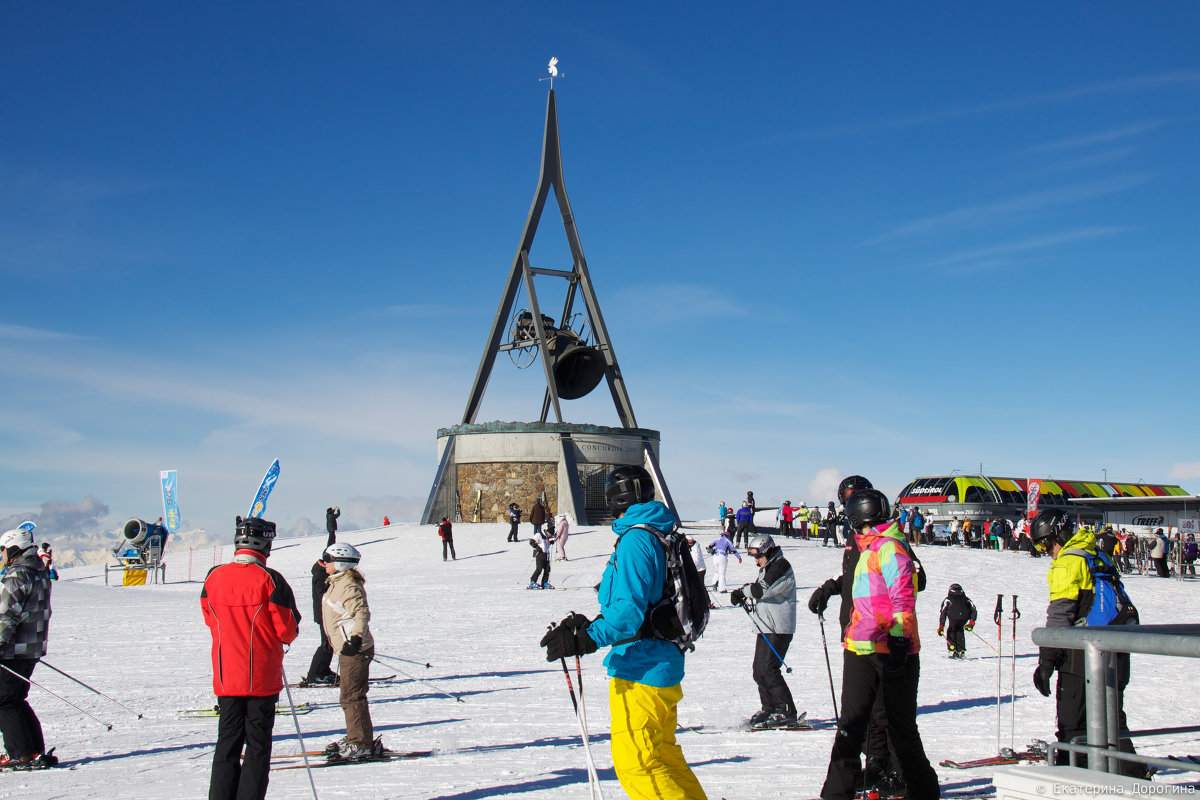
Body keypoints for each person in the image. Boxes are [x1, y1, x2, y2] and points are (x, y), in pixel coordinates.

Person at [538, 465, 708, 800]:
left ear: (615, 498)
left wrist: (586, 638)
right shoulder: (659, 531)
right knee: (663, 756)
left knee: (638, 765)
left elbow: (627, 615)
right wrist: (590, 625)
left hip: (641, 669)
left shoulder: (636, 539)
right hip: (661, 663)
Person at [818, 489, 939, 800]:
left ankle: (923, 791)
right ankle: (835, 793)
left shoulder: (890, 548)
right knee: (850, 725)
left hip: (891, 650)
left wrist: (900, 638)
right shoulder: (868, 548)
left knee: (900, 729)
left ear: (859, 518)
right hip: (860, 647)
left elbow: (903, 597)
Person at [1029, 509, 1145, 777]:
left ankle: (1070, 779)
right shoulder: (1097, 553)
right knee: (1111, 719)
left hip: (1081, 655)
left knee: (1072, 722)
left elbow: (1060, 615)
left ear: (1058, 535)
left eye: (1046, 544)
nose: (1047, 552)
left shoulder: (1068, 562)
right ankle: (1133, 776)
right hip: (1116, 647)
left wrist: (1046, 662)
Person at [201, 516, 300, 800]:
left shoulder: (214, 576)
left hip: (226, 673)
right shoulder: (270, 579)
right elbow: (287, 628)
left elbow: (209, 617)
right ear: (265, 544)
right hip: (261, 676)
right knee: (257, 746)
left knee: (227, 744)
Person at [731, 534, 798, 728]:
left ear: (767, 550)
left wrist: (742, 591)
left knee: (769, 669)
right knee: (759, 670)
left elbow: (761, 590)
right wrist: (744, 594)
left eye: (758, 556)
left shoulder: (780, 566)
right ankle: (770, 707)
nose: (756, 560)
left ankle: (786, 710)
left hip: (779, 627)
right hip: (766, 626)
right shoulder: (768, 566)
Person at [0, 527, 54, 769]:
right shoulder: (38, 571)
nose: (1, 554)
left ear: (13, 548)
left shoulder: (18, 574)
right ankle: (33, 750)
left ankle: (20, 754)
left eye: (2, 549)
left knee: (3, 701)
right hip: (31, 646)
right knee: (15, 698)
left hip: (13, 648)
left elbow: (6, 616)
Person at [320, 543, 380, 761]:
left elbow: (361, 612)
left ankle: (361, 743)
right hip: (346, 648)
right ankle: (357, 736)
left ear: (341, 562)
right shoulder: (338, 581)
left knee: (351, 696)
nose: (324, 562)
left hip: (354, 650)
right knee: (349, 695)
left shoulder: (348, 585)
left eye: (328, 558)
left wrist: (355, 639)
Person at [303, 548, 339, 687]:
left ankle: (323, 671)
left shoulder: (323, 570)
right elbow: (322, 594)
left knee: (329, 643)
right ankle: (315, 674)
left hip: (326, 613)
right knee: (326, 643)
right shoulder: (321, 573)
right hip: (324, 614)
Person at [937, 584, 977, 659]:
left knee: (951, 630)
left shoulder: (948, 599)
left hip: (953, 618)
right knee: (960, 630)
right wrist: (971, 622)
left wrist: (941, 627)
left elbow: (943, 612)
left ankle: (952, 651)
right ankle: (961, 651)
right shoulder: (966, 599)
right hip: (964, 618)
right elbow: (973, 609)